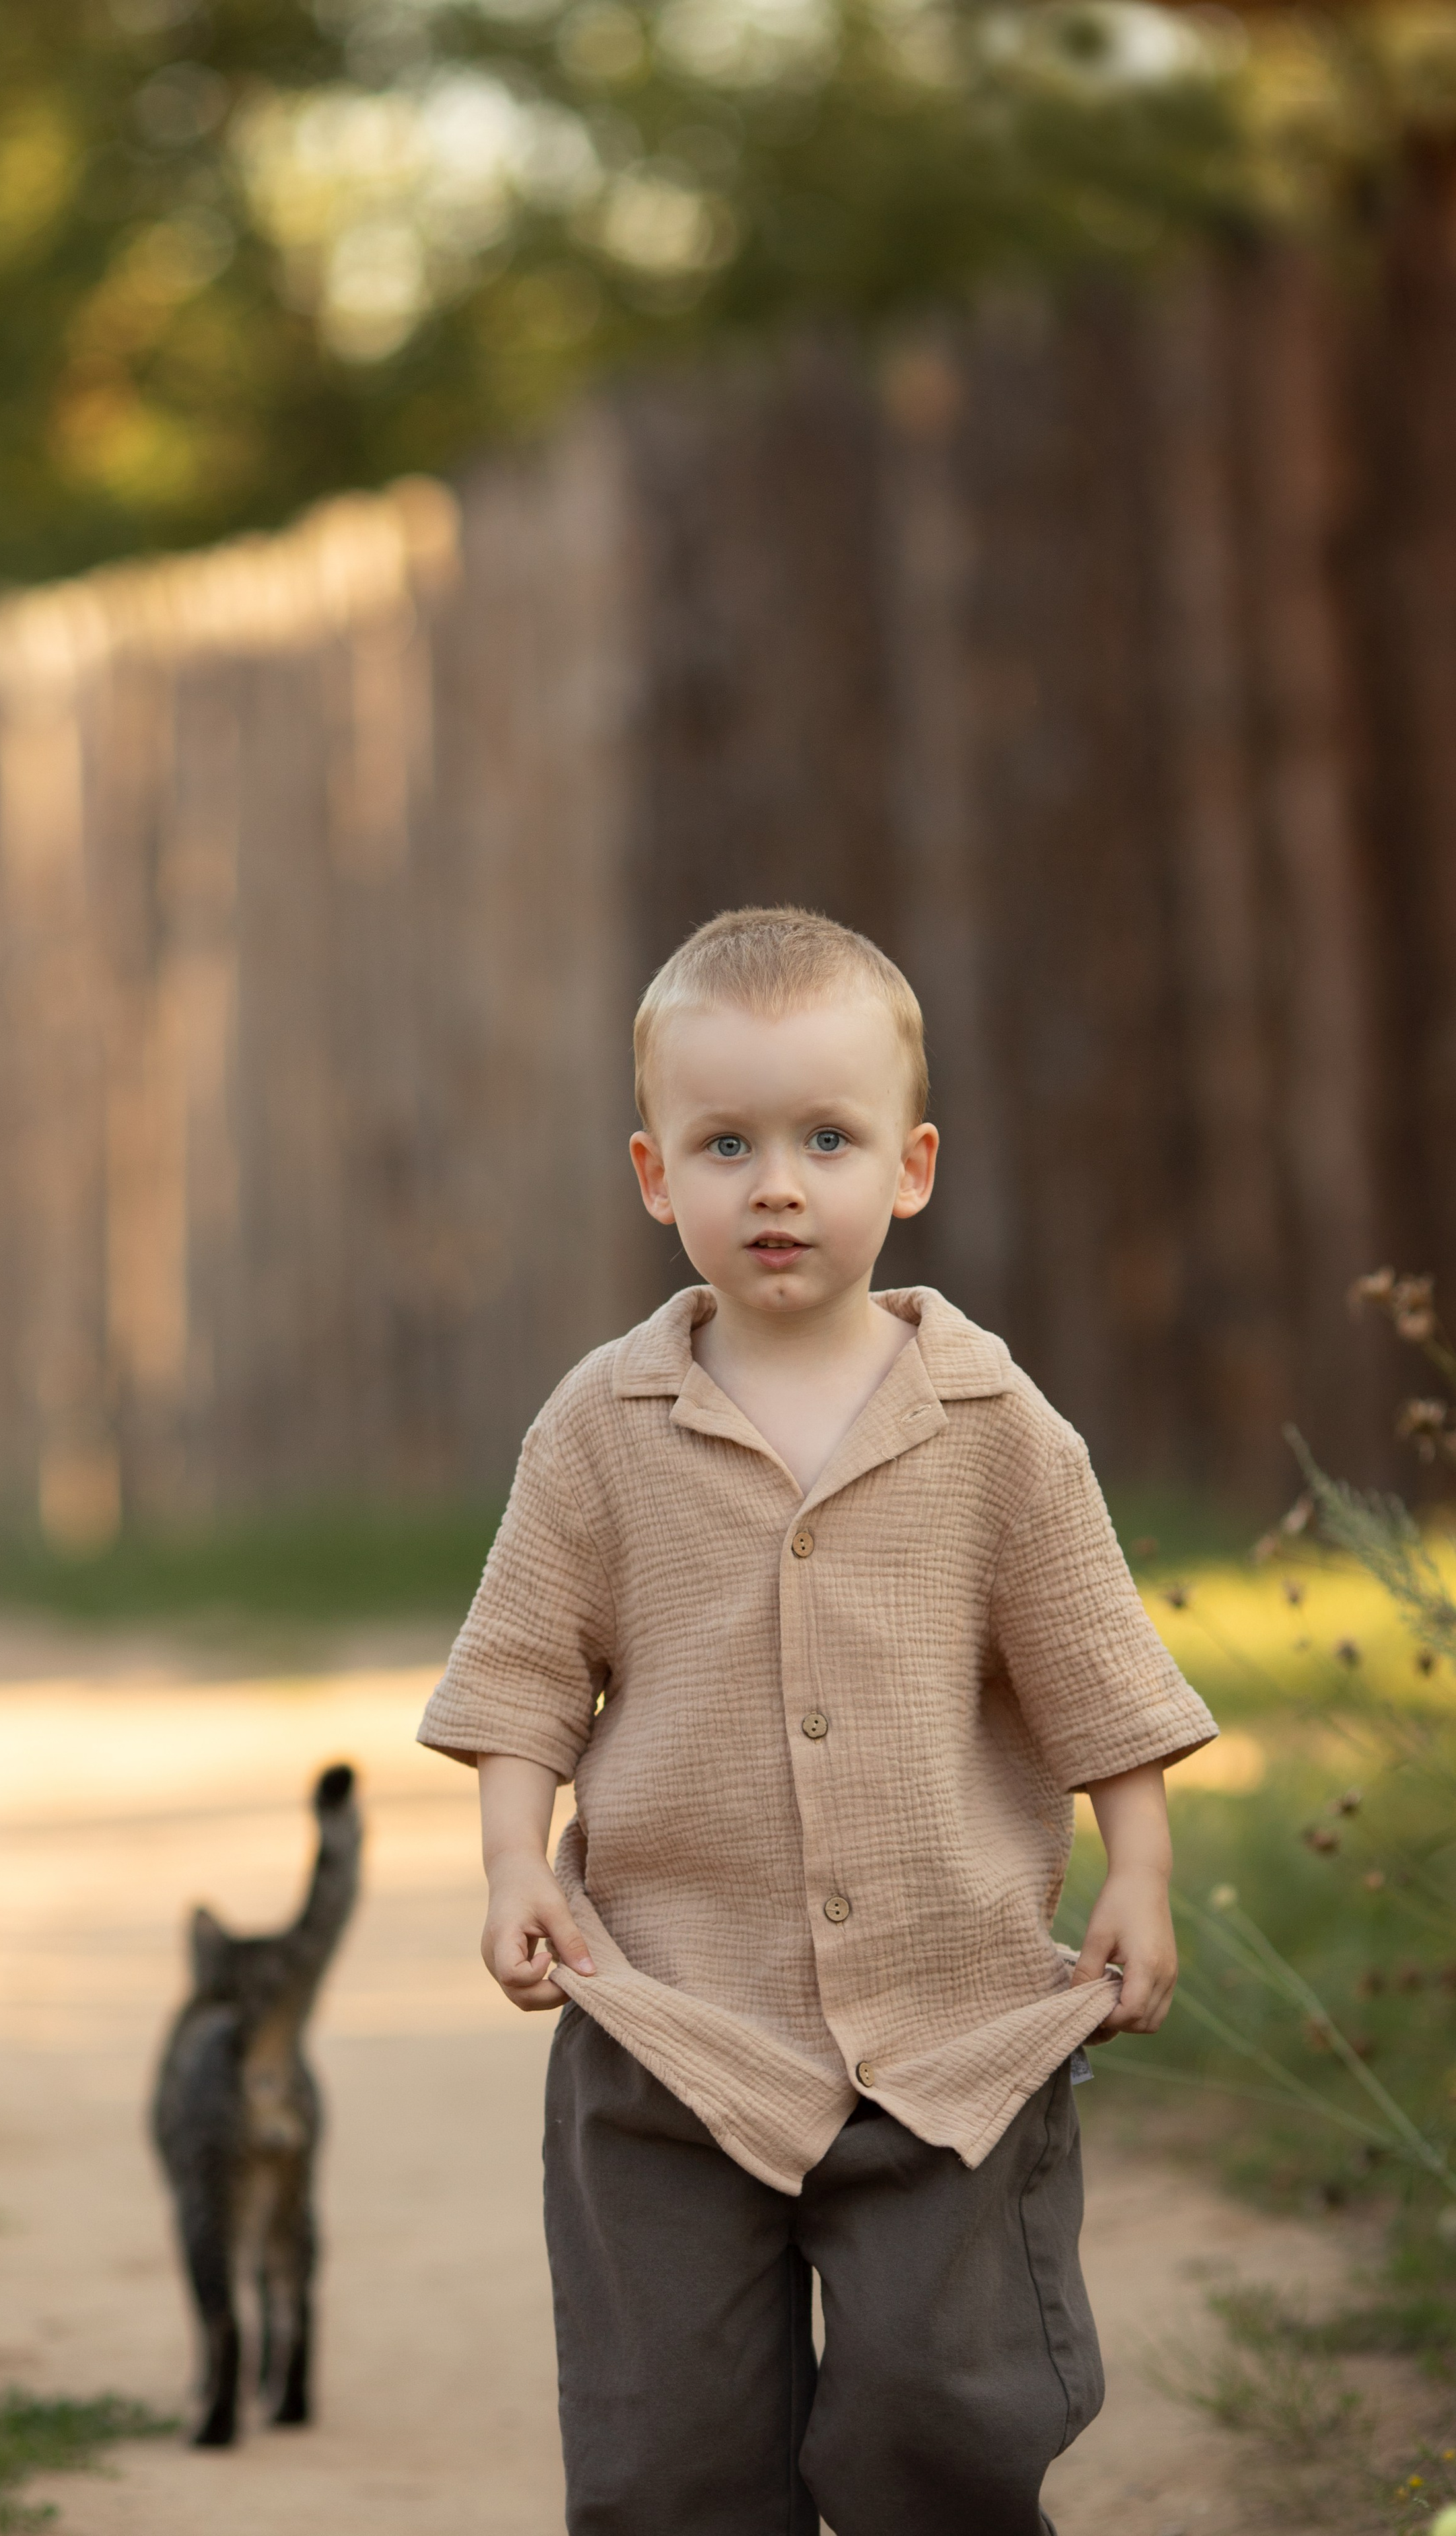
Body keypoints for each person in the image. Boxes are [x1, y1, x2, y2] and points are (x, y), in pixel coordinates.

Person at [417, 905, 1216, 2536]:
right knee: (666, 2453)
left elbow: (1092, 1672)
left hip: (953, 2029)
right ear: (654, 1176)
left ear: (907, 1167)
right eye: (724, 1143)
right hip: (670, 2017)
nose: (774, 1182)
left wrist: (1136, 1870)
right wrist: (516, 1866)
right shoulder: (597, 1428)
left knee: (944, 2413)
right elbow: (519, 1674)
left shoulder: (995, 1428)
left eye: (824, 1138)